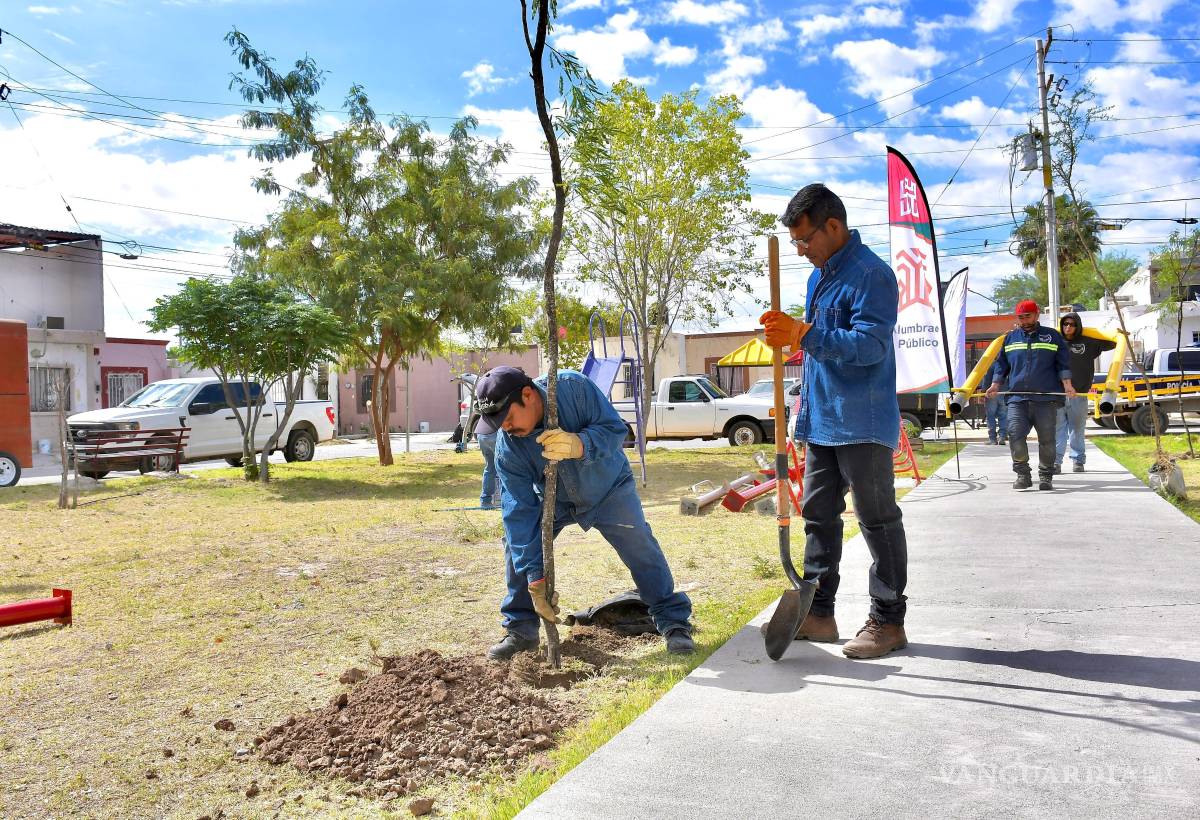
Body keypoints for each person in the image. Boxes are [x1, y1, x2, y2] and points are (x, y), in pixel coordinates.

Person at [759, 183, 909, 660]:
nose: (800, 250)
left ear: (834, 226)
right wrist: (790, 338)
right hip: (822, 418)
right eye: (795, 242)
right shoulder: (818, 277)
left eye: (805, 240)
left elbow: (870, 347)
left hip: (862, 420)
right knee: (819, 516)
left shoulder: (871, 275)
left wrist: (804, 332)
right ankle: (818, 612)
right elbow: (818, 343)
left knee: (877, 519)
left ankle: (888, 621)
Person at [474, 366, 695, 661]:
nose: (506, 427)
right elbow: (519, 513)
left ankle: (673, 621)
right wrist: (536, 578)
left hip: (608, 488)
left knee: (639, 544)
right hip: (554, 501)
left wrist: (580, 444)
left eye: (508, 417)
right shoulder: (508, 448)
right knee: (516, 549)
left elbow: (615, 430)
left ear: (527, 395)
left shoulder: (574, 388)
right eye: (498, 422)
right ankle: (521, 630)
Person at [984, 300, 1074, 491]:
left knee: (1047, 440)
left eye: (1028, 316)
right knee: (1015, 434)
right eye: (1021, 317)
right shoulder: (1010, 338)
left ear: (1037, 314)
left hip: (1045, 399)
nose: (1024, 321)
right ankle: (1023, 475)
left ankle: (1046, 476)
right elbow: (1001, 365)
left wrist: (1067, 385)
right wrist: (995, 384)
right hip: (1017, 398)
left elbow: (1063, 364)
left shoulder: (1052, 336)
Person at [1055, 312, 1115, 474]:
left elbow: (1112, 343)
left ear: (1078, 326)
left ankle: (1078, 461)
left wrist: (1118, 333)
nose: (1068, 327)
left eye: (1072, 324)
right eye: (1065, 324)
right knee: (1058, 430)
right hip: (1058, 395)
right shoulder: (1055, 341)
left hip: (1079, 395)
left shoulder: (1087, 342)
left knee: (1077, 430)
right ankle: (1056, 462)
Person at [475, 417, 501, 509]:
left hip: (481, 434)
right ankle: (505, 500)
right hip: (495, 434)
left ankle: (485, 501)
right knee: (505, 468)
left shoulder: (487, 406)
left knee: (490, 467)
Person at [982, 362, 1008, 445]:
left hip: (991, 394)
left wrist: (983, 392)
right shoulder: (1007, 365)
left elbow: (986, 379)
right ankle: (1002, 437)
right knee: (1003, 416)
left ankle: (992, 439)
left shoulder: (990, 365)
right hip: (1004, 393)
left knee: (990, 416)